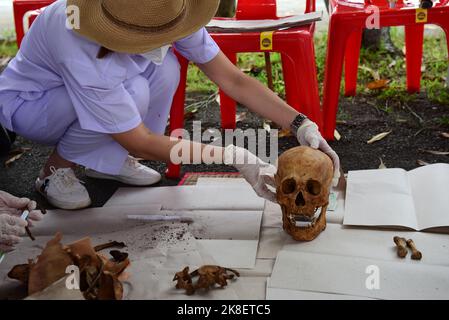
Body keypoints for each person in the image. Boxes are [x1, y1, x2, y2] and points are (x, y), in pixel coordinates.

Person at [0, 0, 340, 210]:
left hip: (96, 90)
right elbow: (140, 139)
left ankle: (108, 161)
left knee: (166, 68)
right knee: (133, 93)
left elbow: (233, 80)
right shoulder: (77, 36)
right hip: (34, 105)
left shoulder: (166, 9)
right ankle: (56, 170)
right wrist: (236, 156)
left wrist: (301, 124)